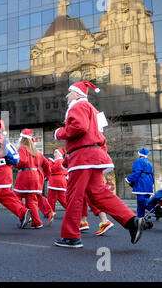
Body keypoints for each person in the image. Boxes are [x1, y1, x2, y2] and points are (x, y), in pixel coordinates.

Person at [53, 81, 146, 248]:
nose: (67, 96)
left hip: (82, 157)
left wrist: (59, 133)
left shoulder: (78, 106)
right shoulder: (94, 111)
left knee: (74, 196)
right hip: (94, 155)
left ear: (77, 94)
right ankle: (132, 221)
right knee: (99, 193)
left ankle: (71, 236)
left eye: (69, 92)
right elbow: (97, 135)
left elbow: (79, 127)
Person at [13, 129, 53, 229]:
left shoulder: (22, 148)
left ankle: (24, 213)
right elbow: (46, 164)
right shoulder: (36, 152)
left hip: (25, 176)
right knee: (32, 201)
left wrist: (14, 163)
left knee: (15, 196)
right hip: (35, 177)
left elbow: (21, 161)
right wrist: (47, 175)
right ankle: (37, 222)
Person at [126, 148, 154, 218]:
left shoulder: (138, 161)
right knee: (141, 202)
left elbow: (137, 172)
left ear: (140, 154)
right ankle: (140, 218)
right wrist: (151, 183)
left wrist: (128, 179)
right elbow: (152, 175)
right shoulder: (149, 163)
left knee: (141, 201)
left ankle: (155, 211)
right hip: (148, 183)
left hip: (141, 182)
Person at [47, 148, 67, 216]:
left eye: (56, 153)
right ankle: (51, 211)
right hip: (58, 181)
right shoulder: (60, 161)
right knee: (60, 198)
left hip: (56, 182)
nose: (54, 154)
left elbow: (52, 169)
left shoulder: (59, 161)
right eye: (54, 152)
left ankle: (51, 212)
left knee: (53, 198)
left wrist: (50, 162)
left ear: (60, 154)